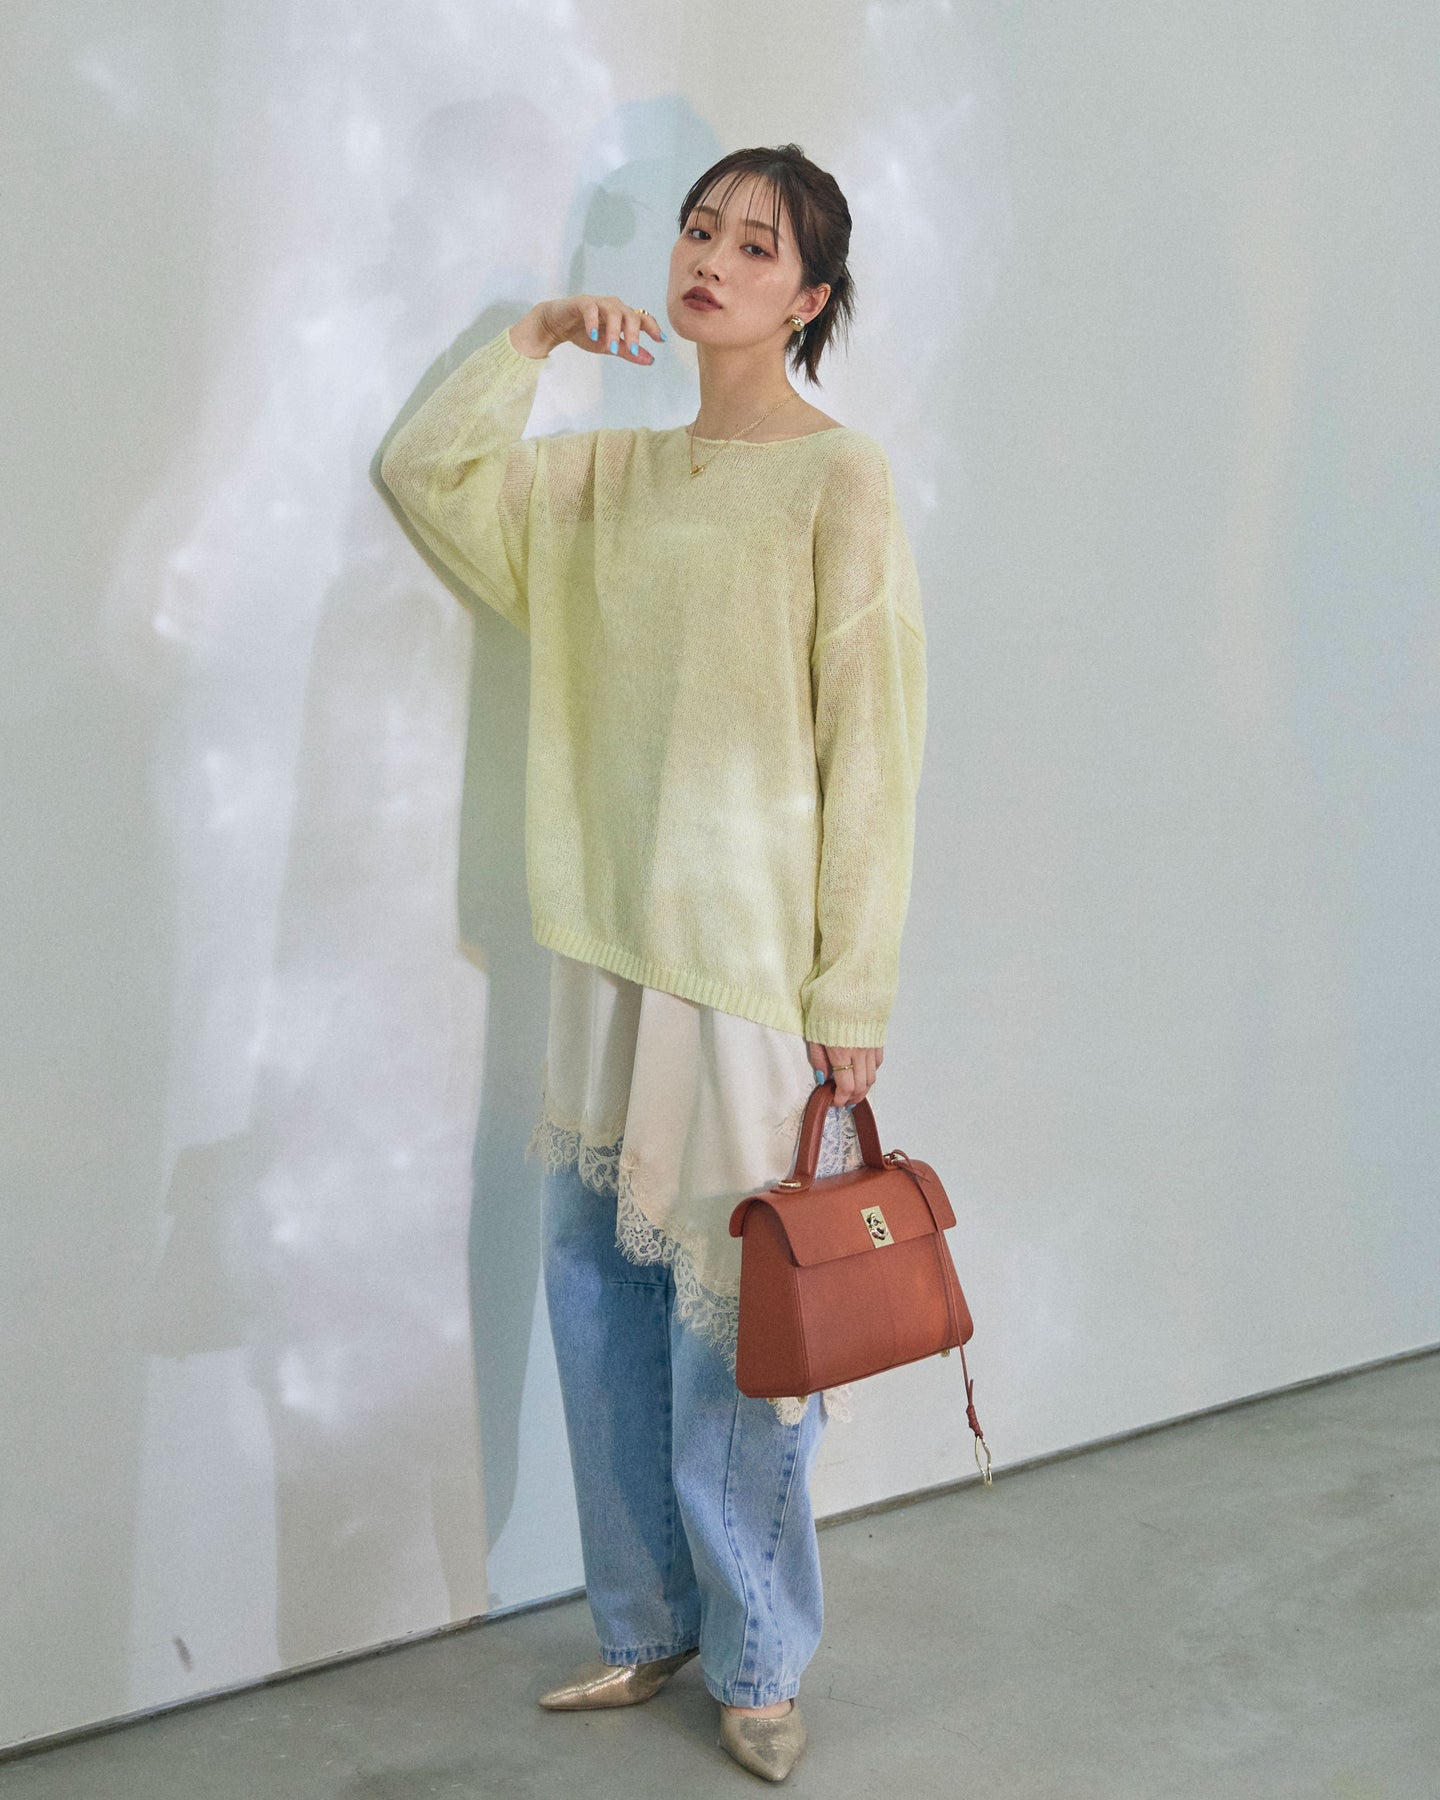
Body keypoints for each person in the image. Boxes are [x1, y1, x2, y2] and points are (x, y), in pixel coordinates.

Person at [380, 142, 927, 1783]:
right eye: (700, 230)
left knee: (739, 1333)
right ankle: (644, 1624)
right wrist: (535, 337)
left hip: (746, 978)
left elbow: (875, 744)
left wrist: (852, 992)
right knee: (598, 1297)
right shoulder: (605, 483)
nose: (712, 260)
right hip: (606, 945)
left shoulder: (841, 481)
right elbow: (425, 474)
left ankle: (759, 1661)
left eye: (757, 246)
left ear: (809, 297)